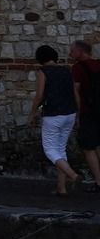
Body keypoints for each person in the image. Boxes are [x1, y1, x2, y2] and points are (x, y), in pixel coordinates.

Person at [32, 44, 81, 196]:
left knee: (50, 150)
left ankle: (72, 175)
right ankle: (62, 188)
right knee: (60, 149)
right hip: (69, 114)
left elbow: (40, 95)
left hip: (53, 115)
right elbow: (75, 93)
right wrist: (78, 113)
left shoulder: (43, 72)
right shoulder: (67, 70)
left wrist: (33, 112)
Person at [71, 38, 100, 191]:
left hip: (88, 112)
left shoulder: (77, 68)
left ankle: (99, 182)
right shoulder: (98, 64)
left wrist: (78, 114)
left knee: (89, 147)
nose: (71, 53)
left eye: (73, 50)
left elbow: (76, 91)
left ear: (81, 52)